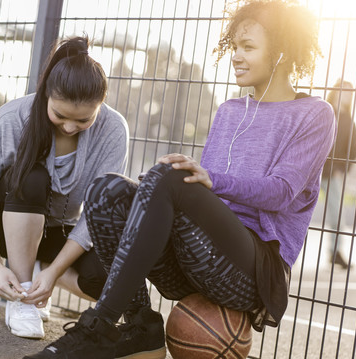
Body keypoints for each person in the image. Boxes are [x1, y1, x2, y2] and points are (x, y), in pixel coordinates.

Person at [23, 1, 336, 358]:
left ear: (282, 52)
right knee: (106, 190)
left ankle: (99, 326)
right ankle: (142, 326)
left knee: (172, 178)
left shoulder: (314, 114)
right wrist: (150, 194)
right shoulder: (230, 111)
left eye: (248, 47)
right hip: (199, 261)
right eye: (234, 46)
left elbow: (281, 193)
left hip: (254, 273)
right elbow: (198, 194)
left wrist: (206, 180)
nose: (236, 55)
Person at [0, 36, 129, 339]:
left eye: (83, 119)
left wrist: (53, 273)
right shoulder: (12, 118)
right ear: (46, 96)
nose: (69, 127)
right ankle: (23, 294)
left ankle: (40, 267)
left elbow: (96, 214)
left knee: (109, 283)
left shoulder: (114, 130)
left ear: (100, 105)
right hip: (12, 222)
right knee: (31, 177)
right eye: (60, 115)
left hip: (62, 232)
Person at [321, 80, 356, 269]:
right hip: (312, 170)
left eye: (351, 93)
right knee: (297, 209)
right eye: (345, 91)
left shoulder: (348, 120)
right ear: (336, 92)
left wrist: (341, 170)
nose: (348, 95)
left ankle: (335, 253)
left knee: (337, 214)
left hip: (332, 174)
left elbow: (354, 150)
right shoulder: (323, 110)